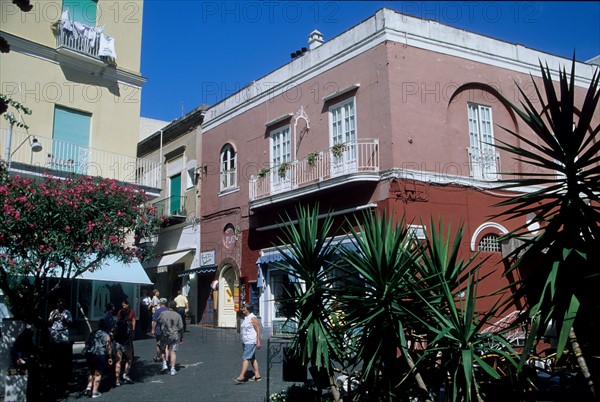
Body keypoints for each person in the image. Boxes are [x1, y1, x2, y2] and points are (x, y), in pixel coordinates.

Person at [47, 298, 73, 394]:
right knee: (54, 354)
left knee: (64, 354)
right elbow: (49, 322)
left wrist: (64, 319)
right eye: (59, 303)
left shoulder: (67, 312)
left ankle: (64, 376)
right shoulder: (53, 312)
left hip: (63, 333)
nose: (60, 304)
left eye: (62, 303)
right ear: (56, 304)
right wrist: (53, 318)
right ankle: (54, 374)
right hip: (55, 333)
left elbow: (70, 323)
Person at [84, 319, 113, 398]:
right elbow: (108, 347)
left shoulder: (92, 333)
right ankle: (95, 391)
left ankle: (89, 387)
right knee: (98, 373)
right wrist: (110, 357)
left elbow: (86, 342)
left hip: (91, 353)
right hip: (100, 354)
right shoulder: (106, 335)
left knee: (91, 372)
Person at [234, 304, 262, 383]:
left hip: (251, 341)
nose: (242, 309)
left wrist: (258, 341)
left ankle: (242, 376)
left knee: (245, 358)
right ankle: (257, 375)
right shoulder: (246, 318)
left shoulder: (252, 318)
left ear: (248, 309)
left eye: (244, 308)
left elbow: (258, 329)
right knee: (252, 358)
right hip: (246, 341)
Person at [156, 301, 184, 376]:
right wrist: (182, 336)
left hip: (164, 334)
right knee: (173, 352)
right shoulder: (178, 316)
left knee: (163, 349)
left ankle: (164, 364)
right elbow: (181, 328)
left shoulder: (163, 313)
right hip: (174, 335)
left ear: (168, 306)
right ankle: (172, 369)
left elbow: (158, 321)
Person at [113, 307, 134, 386]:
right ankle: (125, 374)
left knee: (118, 361)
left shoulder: (117, 322)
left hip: (117, 343)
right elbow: (131, 334)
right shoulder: (128, 324)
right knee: (129, 358)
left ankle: (117, 380)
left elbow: (113, 331)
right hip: (125, 343)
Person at [151, 297, 168, 364]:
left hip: (159, 329)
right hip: (167, 330)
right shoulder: (168, 310)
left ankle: (158, 357)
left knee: (158, 344)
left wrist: (152, 330)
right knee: (166, 344)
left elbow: (154, 321)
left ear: (160, 303)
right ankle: (166, 358)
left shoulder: (157, 311)